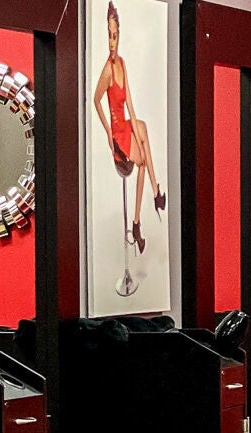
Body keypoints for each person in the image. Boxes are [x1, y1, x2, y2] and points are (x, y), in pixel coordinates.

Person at [92, 0, 166, 254]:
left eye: (115, 36)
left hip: (125, 124)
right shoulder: (107, 71)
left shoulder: (122, 64)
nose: (111, 42)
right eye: (108, 37)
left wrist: (135, 129)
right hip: (117, 135)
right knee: (142, 161)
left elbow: (131, 107)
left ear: (119, 36)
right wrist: (108, 133)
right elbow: (95, 100)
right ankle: (137, 222)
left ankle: (156, 192)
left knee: (143, 128)